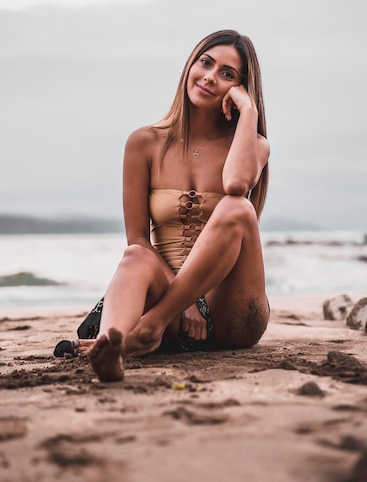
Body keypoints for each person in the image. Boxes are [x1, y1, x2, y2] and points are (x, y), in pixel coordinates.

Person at [55, 29, 270, 382]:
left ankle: (147, 327)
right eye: (206, 63)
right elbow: (137, 238)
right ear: (190, 65)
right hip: (176, 313)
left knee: (237, 208)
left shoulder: (253, 145)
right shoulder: (144, 143)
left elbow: (235, 185)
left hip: (231, 310)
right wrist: (183, 304)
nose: (210, 77)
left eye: (227, 74)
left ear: (240, 87)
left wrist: (248, 111)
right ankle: (113, 346)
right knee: (135, 256)